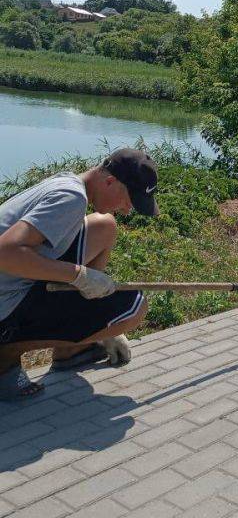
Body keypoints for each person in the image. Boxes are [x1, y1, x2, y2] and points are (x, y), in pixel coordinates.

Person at [0, 149, 158, 400]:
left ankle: (70, 350)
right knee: (133, 306)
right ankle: (5, 359)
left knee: (104, 226)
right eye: (129, 200)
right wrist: (79, 275)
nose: (128, 210)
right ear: (110, 181)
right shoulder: (71, 198)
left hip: (9, 283)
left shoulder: (68, 183)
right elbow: (5, 252)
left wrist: (82, 281)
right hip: (5, 300)